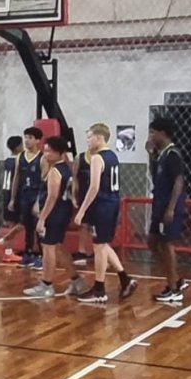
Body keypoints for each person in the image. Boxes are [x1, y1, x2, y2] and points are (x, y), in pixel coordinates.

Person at [73, 123, 136, 303]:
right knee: (103, 245)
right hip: (111, 202)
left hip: (102, 204)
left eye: (89, 136)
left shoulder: (97, 158)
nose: (87, 140)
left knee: (99, 247)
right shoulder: (113, 156)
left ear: (99, 137)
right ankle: (125, 279)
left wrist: (81, 211)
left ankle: (99, 289)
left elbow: (94, 187)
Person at [23, 136, 88, 297]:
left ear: (59, 153)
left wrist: (42, 218)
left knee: (48, 248)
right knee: (58, 247)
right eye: (45, 151)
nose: (46, 154)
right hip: (63, 212)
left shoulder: (55, 171)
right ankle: (76, 280)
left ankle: (46, 284)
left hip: (54, 213)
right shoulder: (67, 169)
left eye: (49, 151)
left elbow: (52, 196)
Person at [147, 117, 189, 302]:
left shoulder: (173, 155)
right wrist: (150, 154)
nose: (150, 136)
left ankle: (174, 289)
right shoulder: (161, 154)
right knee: (152, 242)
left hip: (168, 206)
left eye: (152, 132)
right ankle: (175, 279)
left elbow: (179, 181)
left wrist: (171, 208)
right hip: (159, 205)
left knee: (167, 243)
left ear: (162, 133)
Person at [8, 127, 44, 270]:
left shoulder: (43, 158)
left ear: (37, 140)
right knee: (27, 226)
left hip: (37, 196)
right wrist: (12, 198)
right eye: (26, 137)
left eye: (30, 137)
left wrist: (38, 202)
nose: (27, 140)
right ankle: (28, 254)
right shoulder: (20, 157)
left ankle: (42, 256)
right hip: (24, 195)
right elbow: (16, 177)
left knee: (38, 227)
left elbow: (44, 181)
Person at [0, 135, 25, 263]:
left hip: (6, 194)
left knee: (13, 225)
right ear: (19, 146)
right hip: (13, 196)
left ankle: (8, 252)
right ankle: (4, 246)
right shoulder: (19, 161)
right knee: (21, 224)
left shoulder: (7, 161)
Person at [71, 150, 94, 266]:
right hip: (83, 195)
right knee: (84, 224)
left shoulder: (102, 157)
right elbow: (74, 178)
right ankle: (82, 251)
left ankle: (96, 252)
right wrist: (74, 196)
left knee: (95, 225)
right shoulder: (80, 158)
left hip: (98, 197)